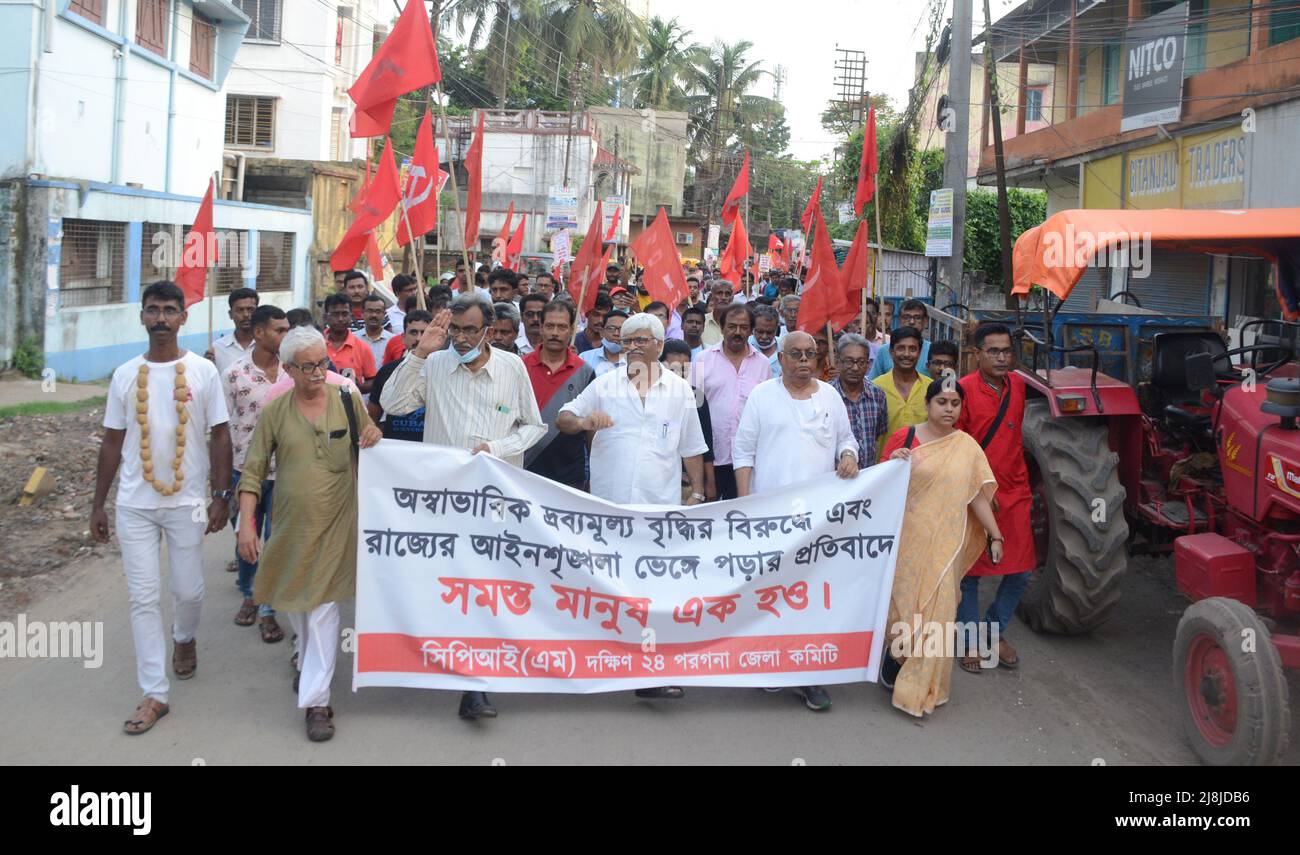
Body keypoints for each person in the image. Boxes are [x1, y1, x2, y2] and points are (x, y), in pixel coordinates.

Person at [380, 292, 546, 721]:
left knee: (485, 591)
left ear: (488, 330)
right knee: (453, 588)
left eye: (470, 329)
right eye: (455, 329)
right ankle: (450, 668)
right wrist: (419, 353)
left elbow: (534, 425)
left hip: (496, 502)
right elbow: (392, 404)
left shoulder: (511, 368)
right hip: (445, 503)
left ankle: (475, 686)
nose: (460, 337)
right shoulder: (434, 364)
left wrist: (497, 448)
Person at [90, 281, 233, 735]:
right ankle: (155, 692)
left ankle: (184, 638)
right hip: (135, 504)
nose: (160, 319)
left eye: (170, 310)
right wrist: (99, 504)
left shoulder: (203, 372)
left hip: (187, 502)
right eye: (153, 310)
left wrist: (220, 494)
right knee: (143, 597)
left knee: (189, 591)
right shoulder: (125, 374)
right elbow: (113, 440)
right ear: (142, 317)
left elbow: (221, 435)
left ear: (183, 318)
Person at [237, 326, 382, 742]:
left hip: (338, 519)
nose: (319, 372)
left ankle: (318, 701)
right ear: (288, 369)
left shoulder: (347, 398)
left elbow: (370, 439)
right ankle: (305, 659)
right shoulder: (276, 411)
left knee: (320, 607)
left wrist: (373, 434)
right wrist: (247, 524)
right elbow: (253, 471)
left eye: (323, 363)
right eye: (308, 366)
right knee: (297, 602)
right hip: (290, 523)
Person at [557, 312, 708, 703]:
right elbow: (564, 418)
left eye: (642, 340)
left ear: (660, 345)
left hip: (658, 512)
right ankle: (597, 661)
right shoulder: (605, 385)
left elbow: (692, 449)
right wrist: (584, 420)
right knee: (605, 586)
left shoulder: (680, 391)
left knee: (652, 591)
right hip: (609, 508)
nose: (634, 347)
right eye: (627, 341)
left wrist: (698, 496)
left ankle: (650, 670)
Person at [732, 330, 859, 712]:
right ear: (782, 359)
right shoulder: (762, 395)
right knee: (773, 595)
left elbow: (846, 439)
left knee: (813, 597)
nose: (804, 361)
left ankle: (810, 677)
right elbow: (743, 451)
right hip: (769, 516)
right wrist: (744, 505)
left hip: (818, 519)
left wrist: (849, 455)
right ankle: (771, 665)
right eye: (796, 354)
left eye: (810, 355)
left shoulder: (830, 396)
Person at [878, 381, 1002, 717]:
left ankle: (919, 688)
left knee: (939, 613)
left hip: (946, 546)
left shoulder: (966, 447)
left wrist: (996, 535)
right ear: (928, 404)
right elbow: (879, 485)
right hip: (906, 541)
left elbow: (976, 494)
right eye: (942, 402)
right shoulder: (905, 439)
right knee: (903, 611)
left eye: (955, 403)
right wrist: (893, 461)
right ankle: (895, 657)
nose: (949, 409)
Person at [955, 323, 1036, 673]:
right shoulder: (962, 391)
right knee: (970, 572)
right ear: (977, 354)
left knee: (1022, 570)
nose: (1002, 358)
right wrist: (980, 492)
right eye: (994, 351)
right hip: (977, 494)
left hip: (1016, 491)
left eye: (1007, 351)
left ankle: (993, 630)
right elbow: (957, 448)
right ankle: (971, 641)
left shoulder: (1019, 385)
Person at [222, 304, 290, 641]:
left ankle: (268, 609)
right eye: (280, 330)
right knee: (246, 538)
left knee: (276, 540)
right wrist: (219, 485)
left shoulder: (294, 372)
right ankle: (249, 593)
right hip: (244, 471)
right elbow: (220, 428)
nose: (285, 336)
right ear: (260, 332)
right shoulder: (235, 374)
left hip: (286, 472)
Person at [695, 304, 771, 500]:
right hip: (711, 459)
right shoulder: (702, 359)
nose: (737, 332)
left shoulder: (763, 364)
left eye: (744, 327)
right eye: (732, 326)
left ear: (751, 330)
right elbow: (692, 411)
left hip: (749, 460)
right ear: (722, 328)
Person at [524, 301, 594, 489]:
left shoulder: (585, 371)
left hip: (569, 476)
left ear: (571, 330)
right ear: (541, 328)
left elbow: (589, 430)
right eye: (549, 326)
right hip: (523, 471)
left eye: (562, 327)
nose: (555, 333)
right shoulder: (520, 366)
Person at [661, 339, 716, 501]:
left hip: (688, 483)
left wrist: (709, 483)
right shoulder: (647, 395)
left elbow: (705, 443)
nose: (678, 375)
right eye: (673, 369)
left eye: (684, 369)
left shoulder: (695, 396)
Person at [367, 310, 433, 442]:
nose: (419, 338)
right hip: (395, 451)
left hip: (430, 452)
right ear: (403, 337)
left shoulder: (441, 370)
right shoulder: (387, 371)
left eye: (424, 333)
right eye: (413, 332)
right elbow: (372, 419)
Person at [872, 326, 931, 460]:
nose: (906, 354)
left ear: (920, 352)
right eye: (901, 348)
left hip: (923, 469)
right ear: (891, 352)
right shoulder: (875, 388)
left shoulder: (931, 389)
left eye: (912, 349)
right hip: (884, 469)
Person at [831, 333, 889, 468]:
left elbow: (879, 434)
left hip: (867, 479)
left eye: (861, 362)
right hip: (836, 478)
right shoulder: (827, 395)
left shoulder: (878, 395)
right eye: (849, 361)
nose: (855, 368)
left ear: (868, 365)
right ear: (839, 362)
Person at [322, 293, 377, 394]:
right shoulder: (316, 346)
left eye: (345, 314)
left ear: (351, 316)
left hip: (351, 406)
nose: (340, 319)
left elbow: (373, 380)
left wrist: (354, 388)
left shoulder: (362, 347)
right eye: (335, 314)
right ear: (326, 317)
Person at [870, 300, 932, 380]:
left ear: (925, 321)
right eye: (907, 317)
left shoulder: (932, 350)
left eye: (917, 318)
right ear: (899, 320)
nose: (912, 322)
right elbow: (872, 383)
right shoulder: (884, 350)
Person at [209, 288, 260, 374]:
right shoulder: (217, 348)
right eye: (240, 310)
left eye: (250, 310)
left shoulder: (267, 345)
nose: (246, 315)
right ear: (230, 314)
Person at [581, 307, 628, 377]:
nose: (616, 333)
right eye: (611, 328)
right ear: (602, 332)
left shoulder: (634, 361)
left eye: (621, 329)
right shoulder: (585, 358)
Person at [359, 293, 396, 369]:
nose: (374, 315)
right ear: (362, 313)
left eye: (378, 311)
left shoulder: (393, 340)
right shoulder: (353, 339)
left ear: (384, 314)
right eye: (370, 311)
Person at [750, 305, 782, 377]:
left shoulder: (786, 347)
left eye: (769, 332)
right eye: (760, 332)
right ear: (752, 328)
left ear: (776, 328)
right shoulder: (744, 346)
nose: (764, 337)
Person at [701, 279, 734, 346]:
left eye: (727, 294)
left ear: (732, 298)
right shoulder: (701, 322)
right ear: (712, 297)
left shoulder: (738, 322)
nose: (723, 298)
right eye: (719, 293)